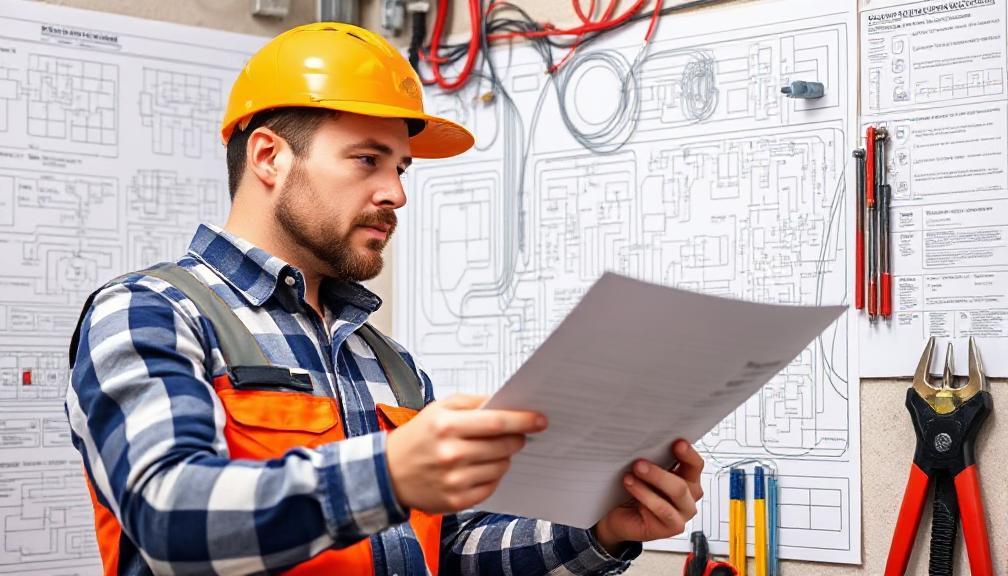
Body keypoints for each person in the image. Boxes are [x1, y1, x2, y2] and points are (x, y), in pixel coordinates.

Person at [67, 22, 705, 576]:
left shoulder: (389, 363)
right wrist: (390, 473)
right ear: (268, 157)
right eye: (367, 160)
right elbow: (169, 516)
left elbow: (447, 549)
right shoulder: (150, 314)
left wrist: (601, 530)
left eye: (400, 168)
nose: (396, 193)